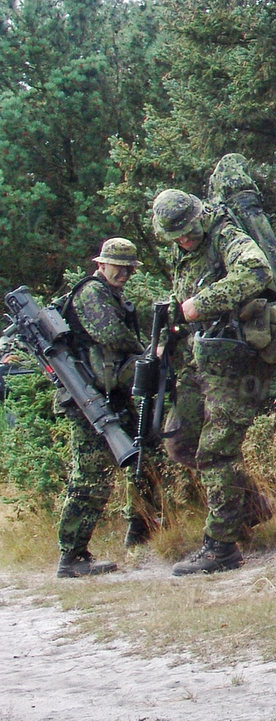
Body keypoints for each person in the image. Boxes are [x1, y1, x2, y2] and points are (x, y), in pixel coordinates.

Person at [151, 188, 276, 575]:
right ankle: (251, 509)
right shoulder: (183, 250)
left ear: (199, 216)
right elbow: (180, 301)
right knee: (180, 442)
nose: (185, 241)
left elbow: (257, 272)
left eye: (188, 232)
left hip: (233, 359)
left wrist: (199, 305)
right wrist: (162, 344)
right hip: (197, 358)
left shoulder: (225, 235)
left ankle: (221, 548)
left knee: (216, 452)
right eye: (176, 237)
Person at [52, 238, 146, 577]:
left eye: (128, 268)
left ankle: (142, 531)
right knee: (91, 477)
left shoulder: (111, 294)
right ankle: (72, 557)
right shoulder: (91, 293)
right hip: (86, 398)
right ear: (101, 264)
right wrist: (146, 352)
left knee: (141, 458)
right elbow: (111, 335)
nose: (123, 273)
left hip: (107, 394)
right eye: (117, 266)